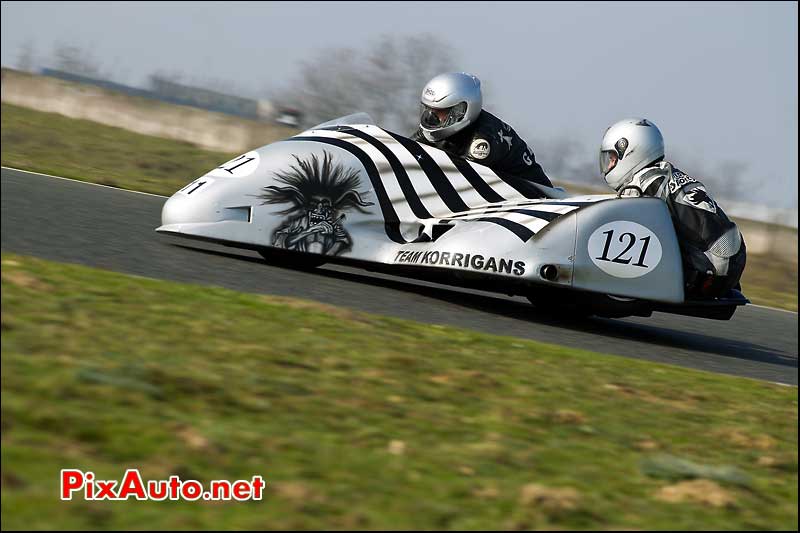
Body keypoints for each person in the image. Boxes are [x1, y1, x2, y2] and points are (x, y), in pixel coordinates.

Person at [599, 117, 746, 298]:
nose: (609, 165)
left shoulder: (644, 185)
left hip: (708, 268)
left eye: (612, 158)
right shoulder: (665, 175)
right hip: (733, 260)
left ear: (630, 153)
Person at [411, 72, 552, 187]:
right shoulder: (435, 128)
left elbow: (461, 185)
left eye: (440, 112)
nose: (431, 117)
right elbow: (407, 149)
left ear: (461, 111)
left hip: (532, 198)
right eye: (429, 110)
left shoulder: (482, 141)